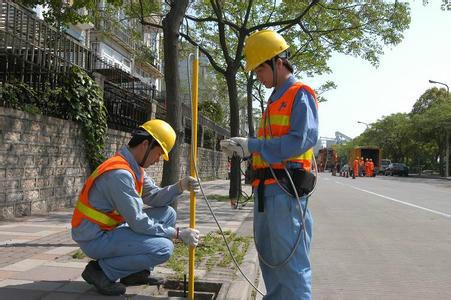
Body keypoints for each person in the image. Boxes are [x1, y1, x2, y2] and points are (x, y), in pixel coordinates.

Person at [221, 30, 318, 300]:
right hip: (265, 191)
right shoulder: (273, 100)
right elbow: (270, 147)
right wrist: (245, 150)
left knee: (291, 264)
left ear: (277, 63)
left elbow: (302, 140)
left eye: (260, 70)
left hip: (286, 194)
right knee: (270, 260)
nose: (258, 78)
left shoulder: (300, 94)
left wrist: (253, 145)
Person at [71, 119, 201, 296]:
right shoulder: (120, 174)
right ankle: (101, 271)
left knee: (168, 213)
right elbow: (138, 221)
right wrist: (177, 234)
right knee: (164, 248)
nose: (158, 160)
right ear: (146, 144)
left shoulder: (134, 168)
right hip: (95, 238)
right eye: (158, 153)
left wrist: (179, 186)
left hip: (108, 231)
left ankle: (134, 273)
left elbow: (154, 196)